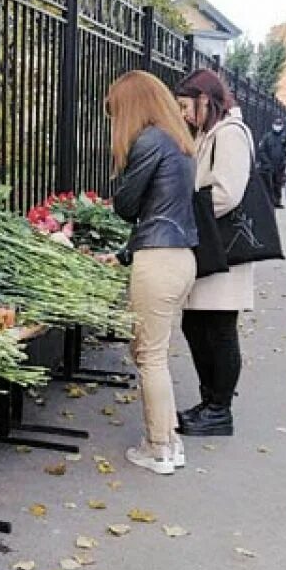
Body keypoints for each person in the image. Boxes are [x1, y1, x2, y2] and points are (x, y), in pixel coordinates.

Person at [104, 71, 198, 475]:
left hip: (159, 262)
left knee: (150, 356)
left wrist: (120, 178)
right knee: (152, 352)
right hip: (180, 258)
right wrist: (125, 254)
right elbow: (163, 210)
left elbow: (127, 206)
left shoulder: (148, 141)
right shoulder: (178, 142)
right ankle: (169, 440)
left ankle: (160, 447)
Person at [173, 69, 255, 438]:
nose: (184, 114)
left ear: (206, 100)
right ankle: (210, 402)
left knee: (219, 329)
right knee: (197, 324)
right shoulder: (211, 133)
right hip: (209, 245)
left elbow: (226, 193)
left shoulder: (230, 134)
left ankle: (220, 410)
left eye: (186, 106)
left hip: (222, 249)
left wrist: (183, 212)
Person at [256, 119, 286, 207]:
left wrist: (284, 161)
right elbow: (261, 150)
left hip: (280, 166)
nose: (278, 126)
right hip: (268, 165)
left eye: (279, 124)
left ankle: (277, 201)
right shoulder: (267, 137)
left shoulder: (284, 137)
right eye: (276, 124)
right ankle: (268, 202)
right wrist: (266, 162)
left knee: (278, 184)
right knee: (268, 184)